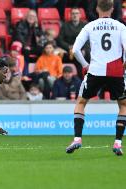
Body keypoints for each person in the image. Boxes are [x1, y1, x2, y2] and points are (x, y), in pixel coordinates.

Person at [66, 0, 126, 156]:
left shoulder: (89, 26)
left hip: (95, 70)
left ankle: (77, 139)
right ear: (112, 9)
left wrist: (85, 65)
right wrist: (123, 64)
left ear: (97, 8)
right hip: (115, 71)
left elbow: (76, 49)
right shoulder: (120, 27)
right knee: (123, 105)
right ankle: (118, 143)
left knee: (81, 102)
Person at [57, 7, 88, 79]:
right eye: (73, 13)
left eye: (77, 13)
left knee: (83, 59)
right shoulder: (65, 25)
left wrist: (83, 49)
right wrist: (68, 46)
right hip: (68, 51)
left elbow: (88, 40)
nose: (75, 15)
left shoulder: (85, 26)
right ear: (70, 15)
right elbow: (59, 40)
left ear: (80, 15)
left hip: (80, 51)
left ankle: (82, 82)